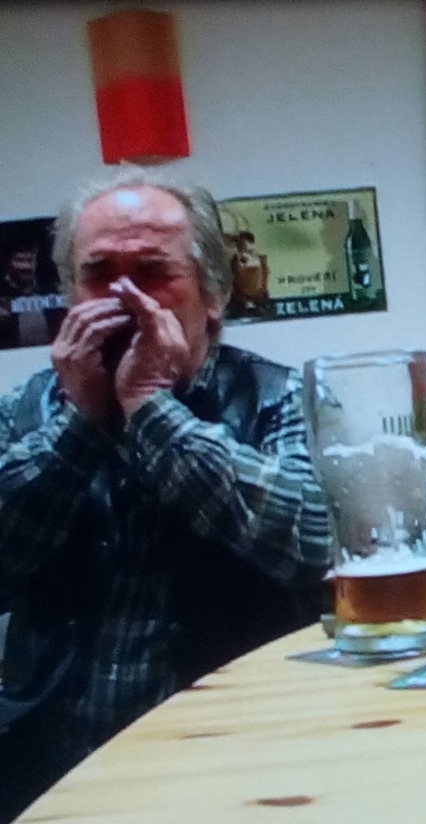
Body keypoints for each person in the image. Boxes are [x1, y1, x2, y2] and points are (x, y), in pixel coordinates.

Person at [0, 167, 332, 821]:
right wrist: (80, 426)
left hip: (248, 765)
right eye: (99, 274)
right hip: (51, 773)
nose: (124, 296)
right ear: (70, 293)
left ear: (214, 295)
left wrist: (151, 408)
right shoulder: (26, 409)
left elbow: (310, 544)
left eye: (152, 272)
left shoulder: (283, 397)